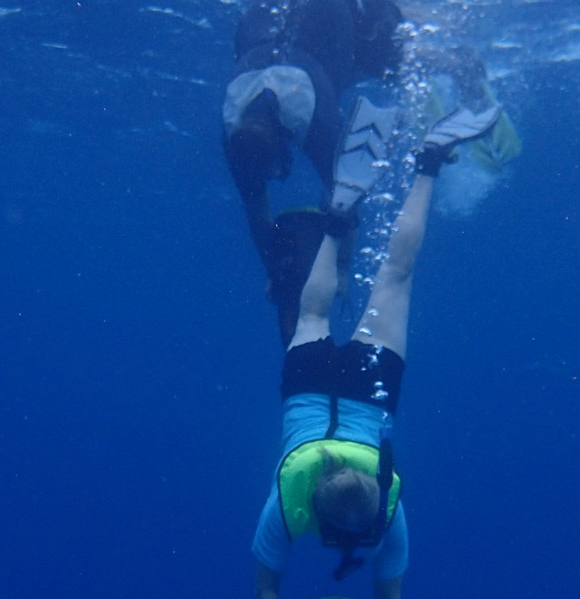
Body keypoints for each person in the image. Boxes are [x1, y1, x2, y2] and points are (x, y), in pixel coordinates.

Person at [251, 103, 502, 599]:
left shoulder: (325, 507)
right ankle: (338, 218)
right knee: (310, 316)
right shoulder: (336, 509)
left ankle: (425, 163)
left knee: (396, 277)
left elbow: (267, 592)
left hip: (368, 393)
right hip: (307, 391)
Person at [222, 0, 519, 346]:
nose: (272, 178)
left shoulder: (312, 116)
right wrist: (275, 269)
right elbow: (257, 217)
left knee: (392, 62)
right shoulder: (236, 133)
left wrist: (343, 268)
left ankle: (458, 65)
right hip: (286, 30)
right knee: (356, 63)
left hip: (340, 19)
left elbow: (347, 195)